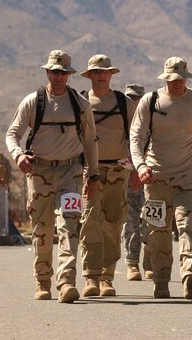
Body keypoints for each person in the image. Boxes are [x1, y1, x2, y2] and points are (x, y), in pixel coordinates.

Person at [6, 49, 99, 303]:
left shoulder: (80, 105)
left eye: (63, 73)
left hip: (71, 172)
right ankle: (42, 281)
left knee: (69, 225)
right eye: (54, 72)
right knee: (42, 229)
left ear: (69, 75)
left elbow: (90, 142)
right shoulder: (33, 102)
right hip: (39, 173)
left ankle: (67, 282)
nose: (58, 77)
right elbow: (12, 134)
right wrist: (18, 155)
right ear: (47, 72)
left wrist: (93, 176)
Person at [130, 56, 192, 300]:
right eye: (172, 79)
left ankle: (190, 276)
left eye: (181, 79)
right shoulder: (152, 101)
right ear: (165, 78)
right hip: (156, 180)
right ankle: (161, 281)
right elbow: (135, 137)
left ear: (186, 78)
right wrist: (140, 165)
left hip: (188, 177)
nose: (177, 84)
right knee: (158, 231)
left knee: (188, 226)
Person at [78, 54, 137, 297]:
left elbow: (137, 137)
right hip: (88, 171)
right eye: (97, 72)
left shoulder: (125, 103)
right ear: (90, 75)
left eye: (105, 72)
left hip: (118, 170)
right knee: (90, 221)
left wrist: (136, 168)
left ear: (111, 75)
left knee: (113, 223)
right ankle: (90, 277)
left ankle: (107, 277)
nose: (101, 76)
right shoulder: (80, 102)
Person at [121, 83, 153, 281]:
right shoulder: (119, 124)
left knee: (151, 220)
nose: (133, 103)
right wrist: (131, 171)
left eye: (137, 99)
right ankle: (132, 264)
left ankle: (150, 262)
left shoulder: (152, 124)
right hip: (127, 180)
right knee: (130, 222)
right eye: (130, 99)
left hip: (149, 180)